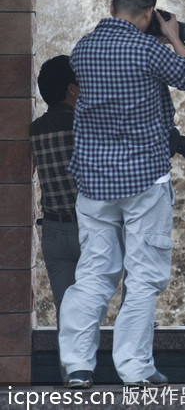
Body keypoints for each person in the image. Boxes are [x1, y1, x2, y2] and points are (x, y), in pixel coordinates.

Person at [58, 0, 185, 389]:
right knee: (143, 276)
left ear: (111, 7)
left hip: (94, 183)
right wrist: (172, 36)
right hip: (143, 181)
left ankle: (78, 367)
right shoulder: (148, 49)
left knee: (93, 274)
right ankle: (135, 368)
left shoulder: (83, 49)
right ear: (148, 13)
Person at [30, 55, 81, 321]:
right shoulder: (85, 126)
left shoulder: (36, 130)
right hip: (88, 232)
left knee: (69, 317)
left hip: (53, 233)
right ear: (72, 89)